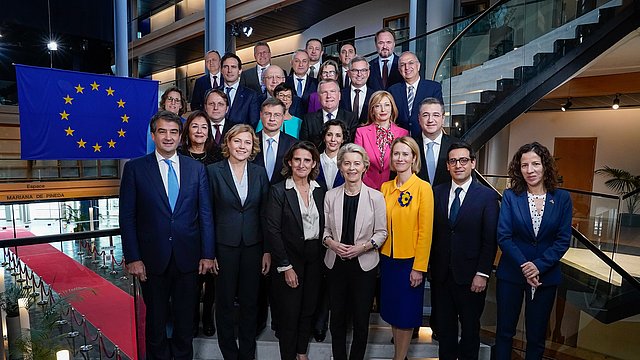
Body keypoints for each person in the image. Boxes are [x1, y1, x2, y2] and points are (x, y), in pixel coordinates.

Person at [120, 110, 215, 360]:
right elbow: (127, 217)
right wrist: (133, 258)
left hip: (189, 258)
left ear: (180, 135)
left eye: (174, 132)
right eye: (162, 131)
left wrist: (208, 253)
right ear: (153, 135)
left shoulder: (196, 169)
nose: (168, 137)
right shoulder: (135, 169)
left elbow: (205, 214)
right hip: (151, 261)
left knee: (185, 323)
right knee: (156, 323)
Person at [495, 142, 572, 360]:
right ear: (518, 169)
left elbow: (562, 240)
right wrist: (526, 266)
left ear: (545, 166)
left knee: (537, 337)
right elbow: (504, 236)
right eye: (524, 165)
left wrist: (538, 266)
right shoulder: (510, 196)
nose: (530, 170)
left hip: (545, 277)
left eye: (536, 164)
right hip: (511, 274)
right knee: (504, 333)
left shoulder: (563, 199)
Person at [207, 124, 271, 360]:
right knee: (223, 302)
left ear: (252, 146)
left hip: (254, 246)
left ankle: (247, 353)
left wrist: (266, 251)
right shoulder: (213, 172)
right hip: (223, 247)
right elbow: (207, 213)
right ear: (228, 143)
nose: (242, 146)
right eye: (237, 141)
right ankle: (229, 353)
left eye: (247, 142)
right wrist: (209, 252)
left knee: (250, 301)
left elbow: (265, 212)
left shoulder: (260, 172)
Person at [431, 142, 499, 360]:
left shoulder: (487, 196)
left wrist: (482, 273)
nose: (458, 165)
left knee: (470, 331)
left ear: (472, 163)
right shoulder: (437, 193)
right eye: (453, 161)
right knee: (445, 331)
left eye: (463, 160)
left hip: (472, 278)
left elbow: (490, 240)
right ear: (447, 166)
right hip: (442, 276)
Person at [322, 143, 388, 360]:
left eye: (356, 163)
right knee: (337, 319)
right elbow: (325, 231)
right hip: (336, 265)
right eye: (347, 163)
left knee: (360, 320)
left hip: (364, 266)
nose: (351, 168)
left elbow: (381, 233)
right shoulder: (330, 196)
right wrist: (332, 244)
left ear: (364, 167)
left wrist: (362, 247)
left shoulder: (376, 197)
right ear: (340, 167)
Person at [264, 141, 326, 360]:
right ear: (289, 162)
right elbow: (272, 230)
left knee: (308, 309)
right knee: (289, 314)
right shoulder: (279, 190)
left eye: (307, 160)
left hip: (315, 258)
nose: (301, 164)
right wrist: (285, 266)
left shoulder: (320, 191)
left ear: (314, 164)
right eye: (297, 159)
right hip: (289, 259)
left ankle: (302, 353)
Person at [379, 136, 433, 360]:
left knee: (406, 314)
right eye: (396, 154)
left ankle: (400, 358)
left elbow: (425, 231)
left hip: (410, 262)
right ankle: (397, 355)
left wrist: (419, 267)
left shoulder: (423, 188)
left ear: (414, 158)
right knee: (392, 311)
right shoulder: (385, 187)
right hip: (388, 259)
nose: (400, 158)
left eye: (405, 154)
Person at [354, 90, 409, 190]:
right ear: (372, 110)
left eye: (387, 105)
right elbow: (357, 163)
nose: (383, 109)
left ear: (392, 108)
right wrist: (372, 188)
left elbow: (405, 166)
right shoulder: (361, 133)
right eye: (378, 106)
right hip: (367, 188)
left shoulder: (403, 134)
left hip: (395, 189)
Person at [388, 51, 444, 136]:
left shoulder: (433, 87)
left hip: (425, 137)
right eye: (403, 65)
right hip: (400, 139)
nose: (407, 67)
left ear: (418, 66)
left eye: (411, 63)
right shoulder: (393, 90)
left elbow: (438, 113)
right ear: (399, 70)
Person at [413, 97, 460, 187]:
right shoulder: (410, 146)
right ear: (419, 119)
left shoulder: (457, 146)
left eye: (436, 115)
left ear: (443, 119)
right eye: (425, 115)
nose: (430, 120)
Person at [300, 79, 358, 148]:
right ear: (319, 97)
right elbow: (305, 147)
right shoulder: (308, 119)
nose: (328, 96)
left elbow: (351, 146)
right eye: (324, 92)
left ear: (339, 95)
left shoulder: (351, 118)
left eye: (332, 91)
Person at [253, 97, 298, 185]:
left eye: (277, 115)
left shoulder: (294, 144)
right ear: (261, 115)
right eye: (267, 114)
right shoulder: (250, 141)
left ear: (283, 117)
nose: (272, 119)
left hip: (282, 196)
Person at [220, 52, 261, 128]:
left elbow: (253, 123)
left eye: (233, 67)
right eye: (226, 67)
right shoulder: (213, 93)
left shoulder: (250, 95)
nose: (229, 71)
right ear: (221, 70)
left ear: (240, 70)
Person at [340, 56, 374, 124]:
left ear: (368, 73)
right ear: (349, 73)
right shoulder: (340, 95)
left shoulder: (375, 96)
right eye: (355, 70)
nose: (359, 74)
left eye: (363, 70)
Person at [203, 89, 233, 163]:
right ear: (205, 107)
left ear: (227, 108)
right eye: (211, 104)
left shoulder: (236, 128)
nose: (216, 108)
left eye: (220, 104)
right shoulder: (199, 129)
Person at [286, 50, 318, 116]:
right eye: (297, 61)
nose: (301, 64)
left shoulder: (316, 83)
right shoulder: (285, 82)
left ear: (309, 64)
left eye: (304, 61)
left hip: (309, 122)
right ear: (291, 63)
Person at [317, 119, 347, 190]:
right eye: (329, 135)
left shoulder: (347, 163)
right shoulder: (314, 161)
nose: (333, 139)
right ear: (324, 137)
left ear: (343, 139)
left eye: (338, 135)